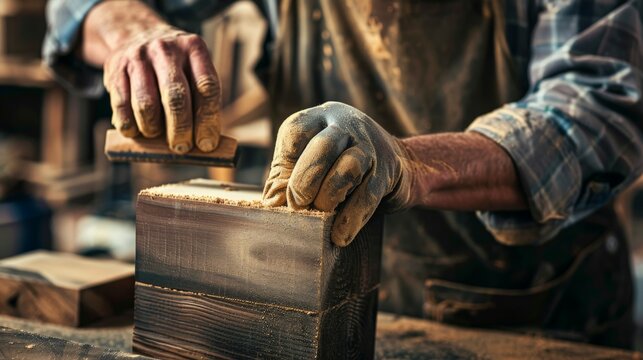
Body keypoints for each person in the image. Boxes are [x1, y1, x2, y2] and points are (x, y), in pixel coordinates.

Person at [45, 0, 643, 348]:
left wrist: (412, 163)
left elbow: (601, 104)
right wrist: (132, 33)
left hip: (527, 304)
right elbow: (75, 7)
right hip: (313, 287)